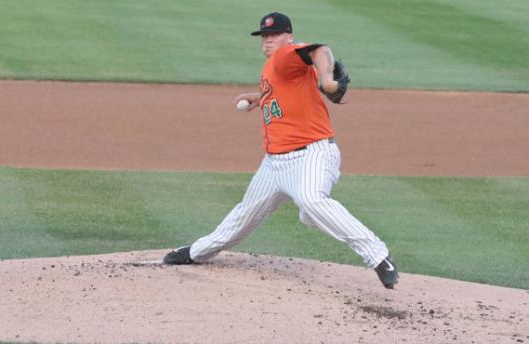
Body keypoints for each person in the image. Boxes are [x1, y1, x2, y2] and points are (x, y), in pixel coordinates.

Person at [164, 12, 398, 289]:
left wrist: (327, 80)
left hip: (310, 155)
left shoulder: (286, 54)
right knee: (243, 217)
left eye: (274, 34)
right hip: (274, 165)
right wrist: (258, 97)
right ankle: (197, 252)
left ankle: (379, 256)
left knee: (311, 201)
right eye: (264, 35)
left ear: (289, 36)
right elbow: (283, 90)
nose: (268, 40)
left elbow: (320, 50)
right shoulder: (275, 67)